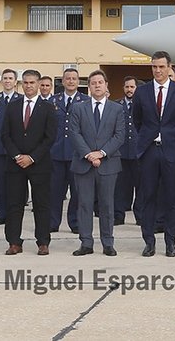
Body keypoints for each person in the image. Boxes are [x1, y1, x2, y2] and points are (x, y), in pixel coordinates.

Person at [132, 51, 175, 257]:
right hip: (149, 151)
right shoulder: (142, 92)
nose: (157, 71)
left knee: (172, 198)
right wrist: (149, 138)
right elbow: (137, 121)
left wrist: (174, 139)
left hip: (172, 152)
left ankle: (170, 241)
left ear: (170, 68)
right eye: (154, 67)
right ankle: (149, 241)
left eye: (161, 67)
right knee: (147, 197)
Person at [69, 70, 126, 256]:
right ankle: (86, 243)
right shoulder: (78, 108)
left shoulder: (116, 109)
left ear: (106, 85)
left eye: (100, 82)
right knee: (84, 204)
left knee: (107, 205)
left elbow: (119, 136)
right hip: (83, 164)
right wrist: (88, 154)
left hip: (108, 164)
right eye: (93, 83)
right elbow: (74, 133)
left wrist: (101, 153)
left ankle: (108, 243)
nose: (97, 85)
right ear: (89, 86)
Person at [1, 70, 58, 255]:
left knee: (41, 204)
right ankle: (14, 242)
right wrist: (17, 155)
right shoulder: (12, 106)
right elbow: (5, 135)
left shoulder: (48, 108)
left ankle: (43, 242)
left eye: (32, 82)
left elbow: (50, 137)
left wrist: (32, 157)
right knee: (14, 204)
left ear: (39, 84)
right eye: (25, 82)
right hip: (15, 164)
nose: (28, 86)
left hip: (39, 163)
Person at [51, 69, 86, 234]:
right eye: (68, 79)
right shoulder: (53, 101)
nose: (71, 81)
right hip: (56, 154)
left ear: (78, 81)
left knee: (77, 192)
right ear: (62, 82)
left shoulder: (85, 101)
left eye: (74, 79)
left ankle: (75, 222)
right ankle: (53, 222)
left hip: (77, 154)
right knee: (55, 191)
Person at [0, 70, 22, 226]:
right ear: (1, 81)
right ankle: (2, 214)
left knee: (16, 185)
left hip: (17, 148)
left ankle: (15, 213)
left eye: (10, 78)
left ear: (16, 82)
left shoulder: (21, 99)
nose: (7, 81)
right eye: (5, 78)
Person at [114, 76, 142, 226]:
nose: (129, 90)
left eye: (132, 87)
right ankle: (118, 215)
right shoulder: (116, 105)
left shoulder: (143, 105)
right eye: (127, 87)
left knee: (141, 186)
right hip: (121, 152)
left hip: (138, 152)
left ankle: (140, 215)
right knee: (120, 187)